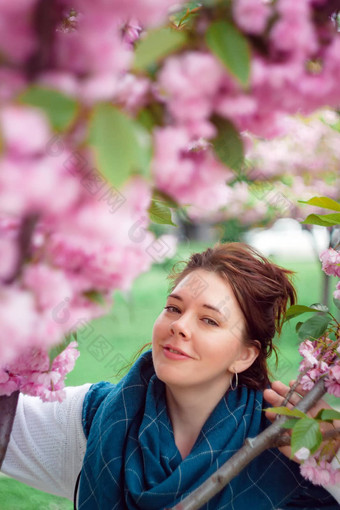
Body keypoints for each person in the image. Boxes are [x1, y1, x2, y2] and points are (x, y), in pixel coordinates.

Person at [1, 242, 340, 509]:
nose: (179, 325)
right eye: (174, 309)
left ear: (244, 355)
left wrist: (333, 455)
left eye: (209, 320)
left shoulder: (288, 445)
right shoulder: (95, 421)